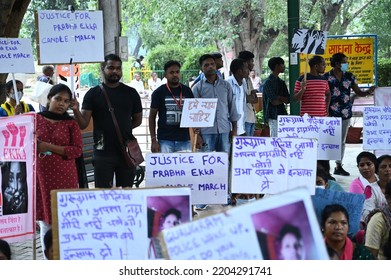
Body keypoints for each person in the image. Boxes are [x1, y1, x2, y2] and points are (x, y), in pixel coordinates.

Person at [72, 54, 143, 188]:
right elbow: (83, 124)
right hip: (102, 150)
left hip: (126, 149)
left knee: (127, 192)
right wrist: (75, 109)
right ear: (103, 69)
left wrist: (124, 130)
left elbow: (138, 120)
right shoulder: (92, 94)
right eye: (111, 68)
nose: (115, 71)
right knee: (102, 193)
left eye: (118, 68)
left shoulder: (131, 93)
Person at [36, 83, 82, 254]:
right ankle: (49, 260)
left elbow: (77, 150)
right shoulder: (35, 119)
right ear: (49, 99)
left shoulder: (71, 124)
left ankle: (68, 255)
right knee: (45, 221)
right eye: (58, 99)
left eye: (66, 101)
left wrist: (49, 146)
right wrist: (19, 116)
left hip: (65, 177)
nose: (62, 104)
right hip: (41, 177)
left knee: (65, 218)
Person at [324, 53, 376, 177]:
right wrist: (324, 112)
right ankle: (326, 168)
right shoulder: (326, 77)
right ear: (337, 64)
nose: (347, 64)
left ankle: (338, 166)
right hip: (329, 114)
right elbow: (324, 95)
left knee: (341, 141)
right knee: (328, 141)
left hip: (345, 113)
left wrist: (369, 91)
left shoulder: (349, 76)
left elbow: (358, 92)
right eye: (344, 62)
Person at [192, 54, 239, 154]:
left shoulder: (226, 85)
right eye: (206, 65)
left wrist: (234, 130)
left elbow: (232, 108)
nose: (210, 67)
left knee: (225, 161)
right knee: (205, 163)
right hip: (206, 133)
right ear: (202, 68)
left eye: (212, 64)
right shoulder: (197, 88)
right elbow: (194, 115)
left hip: (224, 130)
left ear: (215, 66)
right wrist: (198, 136)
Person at [149, 60, 194, 153]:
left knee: (184, 167)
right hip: (165, 139)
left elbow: (194, 114)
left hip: (185, 139)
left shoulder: (187, 91)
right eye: (171, 72)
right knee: (166, 168)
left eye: (177, 72)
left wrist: (198, 135)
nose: (175, 75)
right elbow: (152, 117)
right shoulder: (158, 92)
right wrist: (153, 140)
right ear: (165, 75)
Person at [262, 57, 290, 137]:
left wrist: (279, 98)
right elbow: (274, 102)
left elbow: (288, 100)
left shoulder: (281, 82)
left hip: (282, 114)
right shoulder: (268, 83)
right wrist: (282, 98)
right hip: (272, 115)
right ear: (277, 66)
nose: (284, 66)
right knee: (275, 139)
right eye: (282, 64)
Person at [238, 51, 258, 137]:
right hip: (244, 119)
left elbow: (255, 99)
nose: (253, 64)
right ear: (246, 63)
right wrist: (251, 97)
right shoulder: (239, 80)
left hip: (251, 117)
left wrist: (251, 97)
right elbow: (246, 98)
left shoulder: (248, 79)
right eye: (251, 61)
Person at [226, 58, 248, 136]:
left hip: (242, 128)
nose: (248, 70)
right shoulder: (227, 83)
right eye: (246, 68)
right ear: (239, 71)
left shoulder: (244, 82)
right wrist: (233, 129)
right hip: (230, 129)